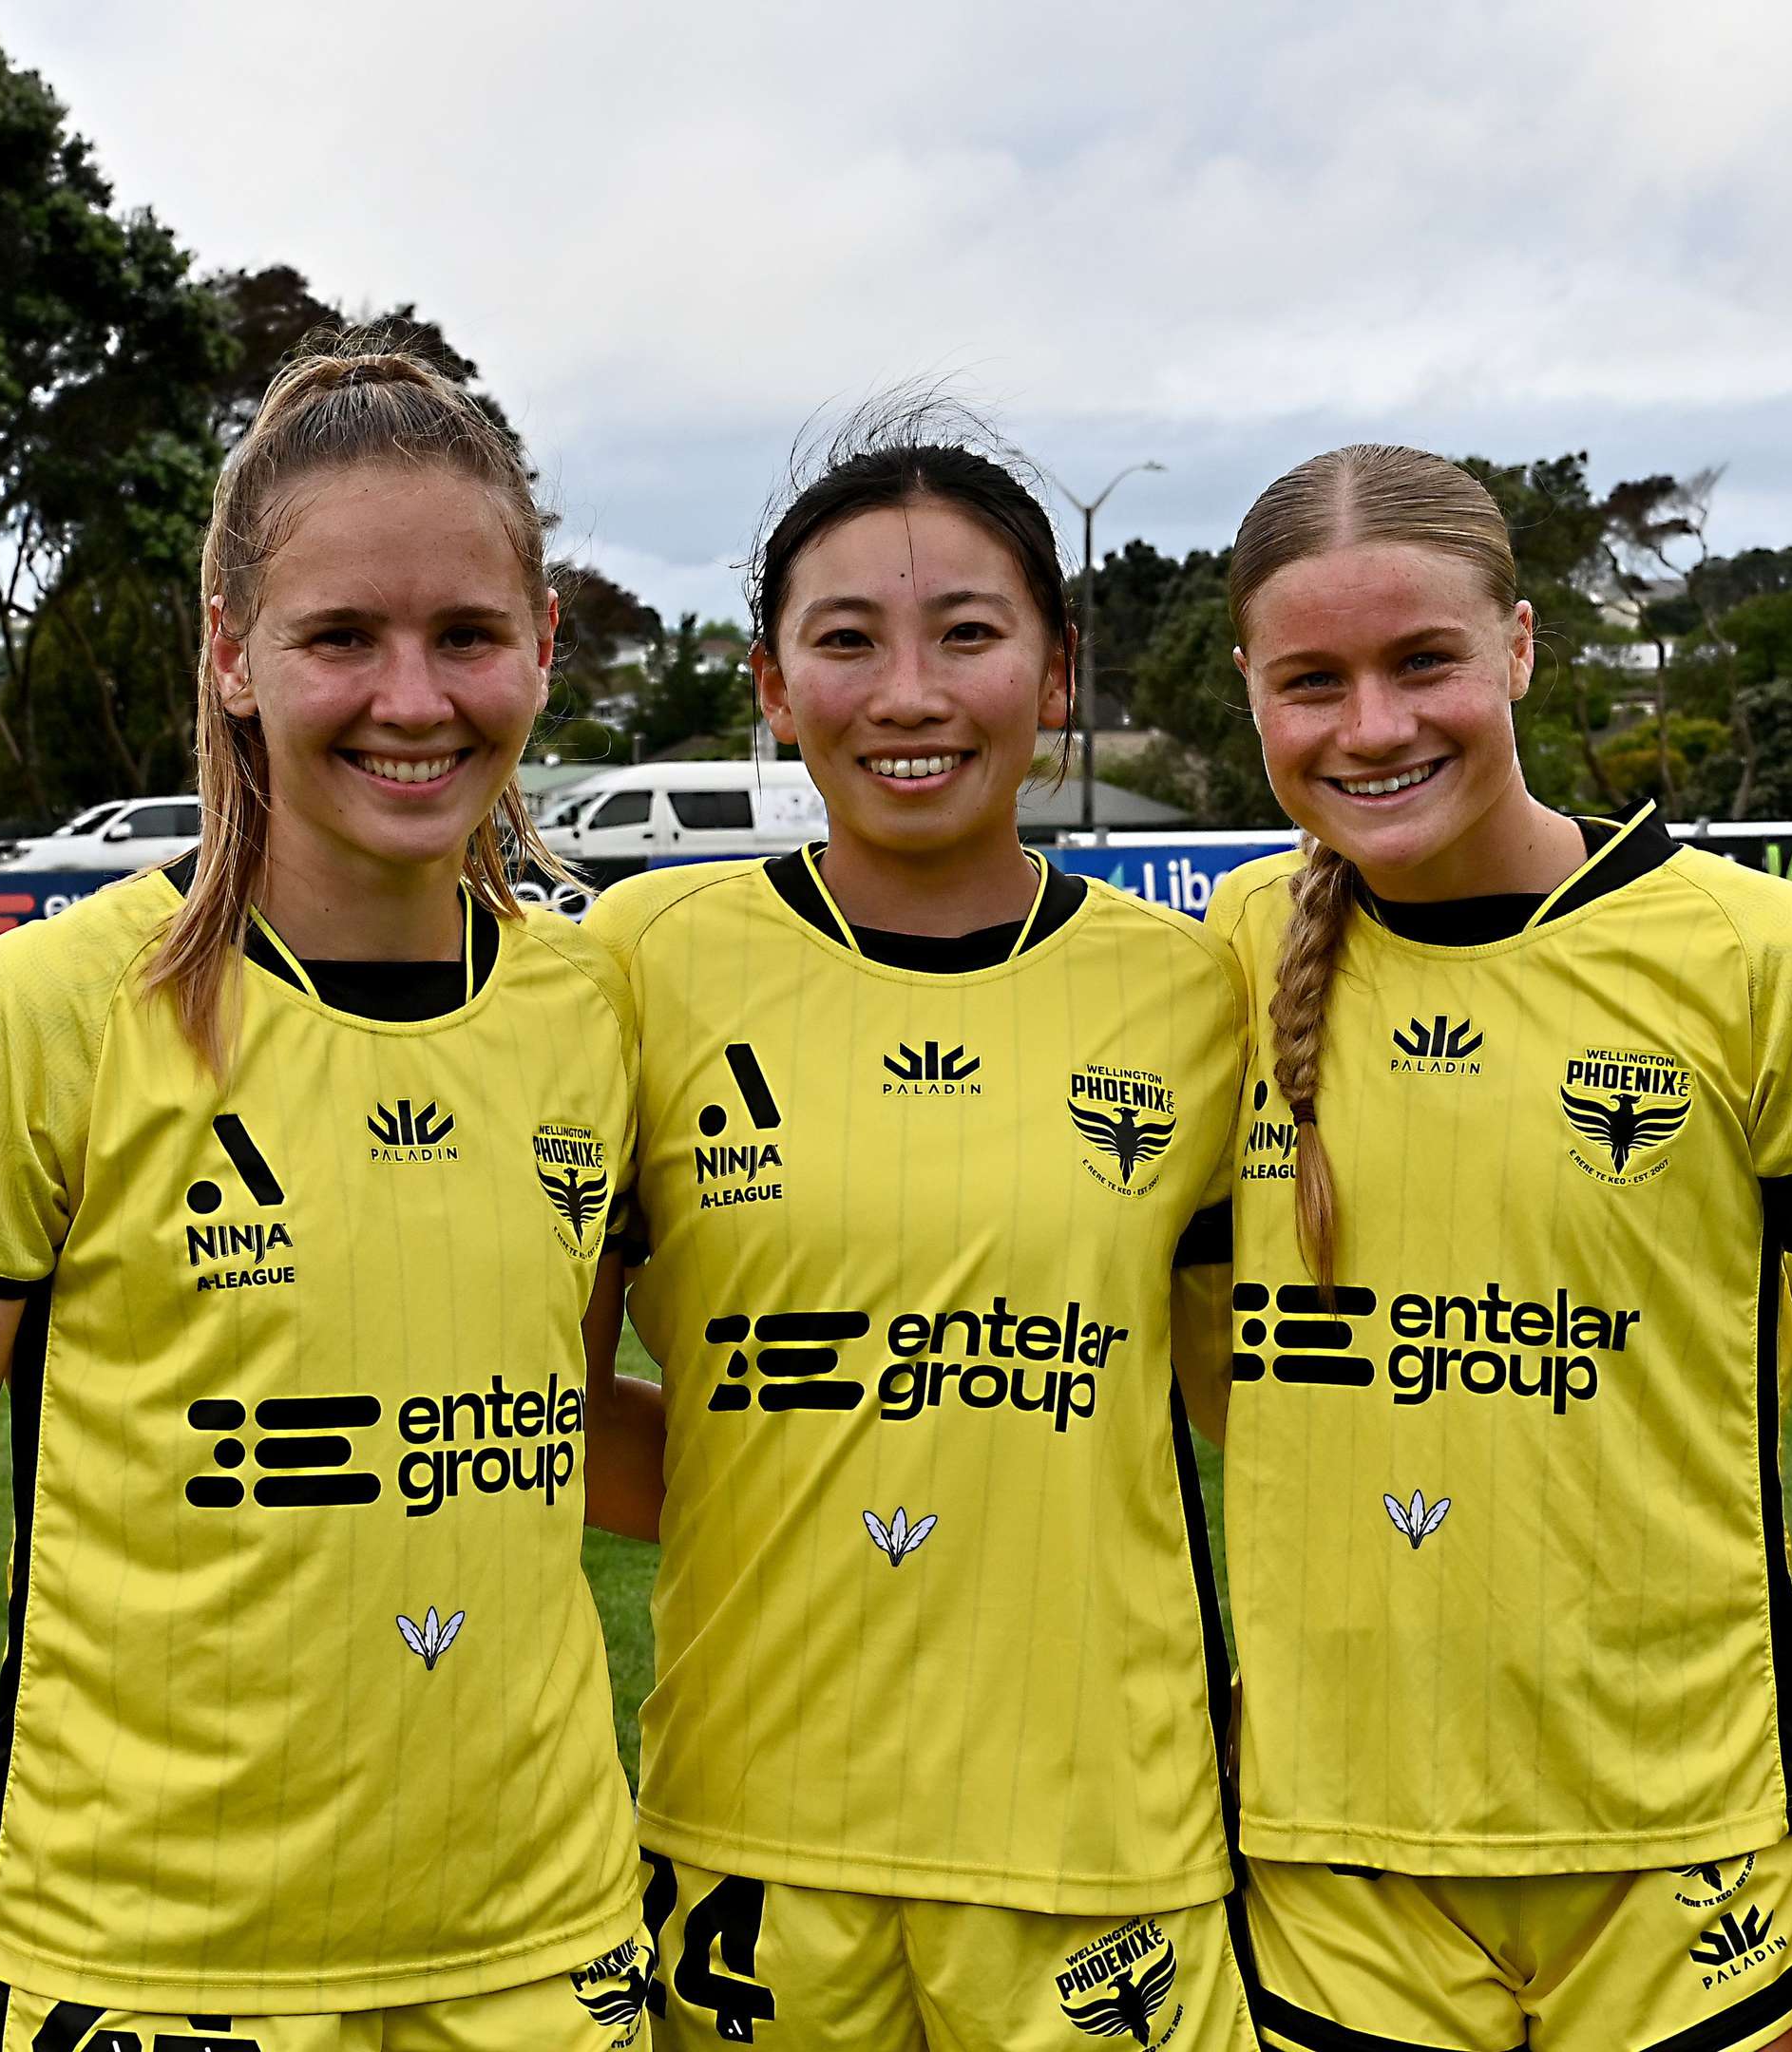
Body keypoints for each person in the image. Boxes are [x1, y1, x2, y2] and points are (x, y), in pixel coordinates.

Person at [0, 346, 653, 2052]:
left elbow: (568, 1422)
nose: (412, 695)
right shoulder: (52, 1014)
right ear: (232, 655)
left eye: (464, 634)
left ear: (539, 645)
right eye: (339, 639)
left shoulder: (595, 1012)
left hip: (550, 1963)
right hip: (150, 1974)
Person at [1202, 445, 1792, 2052]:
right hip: (1327, 1873)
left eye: (1425, 663)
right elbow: (1187, 1371)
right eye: (1311, 680)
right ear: (1248, 688)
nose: (1374, 728)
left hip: (1684, 1869)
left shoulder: (1758, 958)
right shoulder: (1225, 962)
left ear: (1522, 648)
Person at [579, 406, 1252, 2052]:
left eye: (968, 634)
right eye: (847, 640)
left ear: (1056, 670)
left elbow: (1252, 1410)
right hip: (751, 1836)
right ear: (769, 683)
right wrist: (814, 1479)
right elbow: (540, 1402)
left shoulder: (1188, 995)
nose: (910, 694)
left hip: (1106, 1845)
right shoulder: (640, 964)